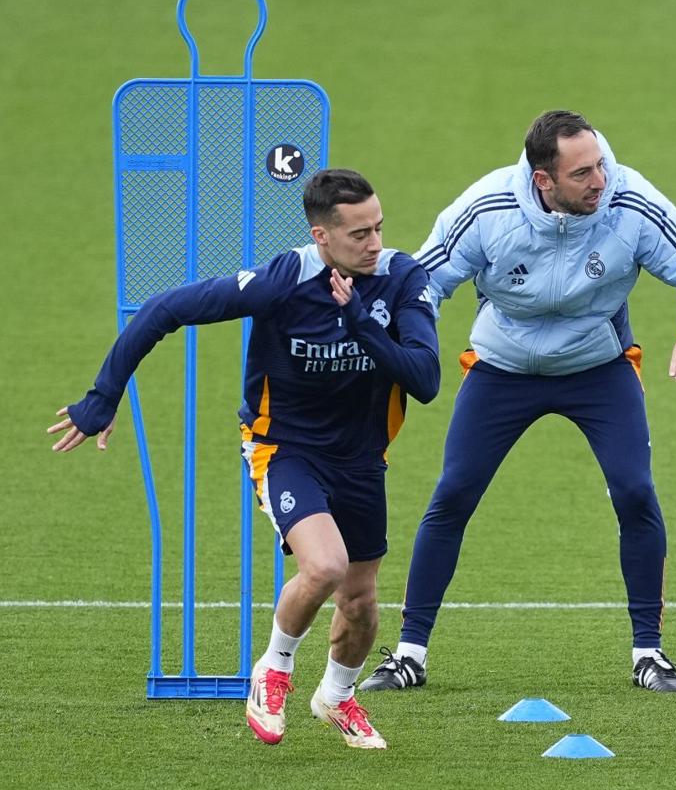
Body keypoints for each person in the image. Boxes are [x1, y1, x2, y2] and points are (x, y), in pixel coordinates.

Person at [48, 169, 440, 749]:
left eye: (379, 227)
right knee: (326, 566)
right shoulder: (282, 282)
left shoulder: (402, 279)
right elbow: (163, 309)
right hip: (285, 450)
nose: (375, 243)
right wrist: (104, 397)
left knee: (360, 605)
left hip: (361, 459)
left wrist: (359, 321)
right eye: (359, 234)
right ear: (321, 236)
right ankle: (273, 670)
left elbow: (426, 379)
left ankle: (336, 697)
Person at [359, 110, 676, 695]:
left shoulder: (630, 202)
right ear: (543, 180)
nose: (599, 181)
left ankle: (649, 654)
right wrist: (414, 338)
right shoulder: (486, 209)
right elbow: (422, 281)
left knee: (635, 491)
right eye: (582, 173)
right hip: (502, 367)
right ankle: (409, 654)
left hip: (597, 366)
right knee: (453, 493)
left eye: (600, 166)